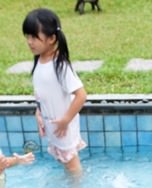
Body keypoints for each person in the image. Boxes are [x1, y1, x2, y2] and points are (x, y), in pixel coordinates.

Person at [23, 8, 88, 176]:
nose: (30, 42)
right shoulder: (40, 60)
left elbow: (81, 95)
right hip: (53, 123)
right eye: (27, 37)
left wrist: (66, 120)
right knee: (63, 159)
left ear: (51, 38)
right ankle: (72, 185)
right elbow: (41, 92)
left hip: (63, 125)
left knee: (72, 164)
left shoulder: (60, 65)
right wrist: (38, 113)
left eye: (34, 37)